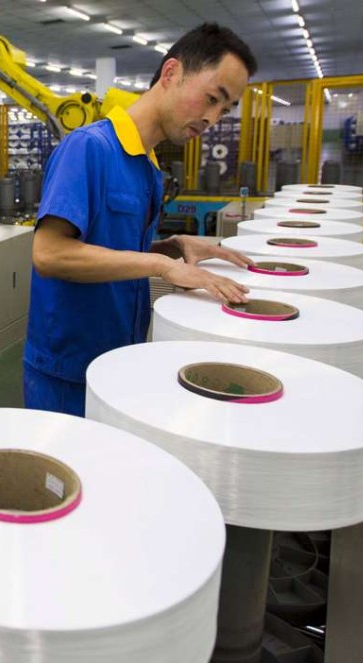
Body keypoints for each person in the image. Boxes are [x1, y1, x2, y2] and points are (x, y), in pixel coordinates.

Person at [26, 23, 258, 417]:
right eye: (211, 98)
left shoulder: (148, 166)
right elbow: (50, 254)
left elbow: (108, 249)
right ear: (171, 73)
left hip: (122, 356)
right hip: (69, 371)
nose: (212, 119)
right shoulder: (89, 148)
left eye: (224, 109)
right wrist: (160, 265)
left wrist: (170, 248)